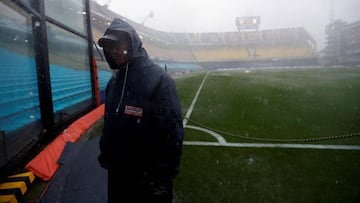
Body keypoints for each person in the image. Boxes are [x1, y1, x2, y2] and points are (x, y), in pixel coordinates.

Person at [97, 18, 184, 203]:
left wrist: (161, 180)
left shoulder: (160, 81)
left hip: (148, 183)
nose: (114, 50)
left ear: (132, 43)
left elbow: (172, 135)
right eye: (110, 46)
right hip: (118, 178)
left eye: (118, 43)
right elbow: (110, 122)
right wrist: (106, 151)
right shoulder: (114, 82)